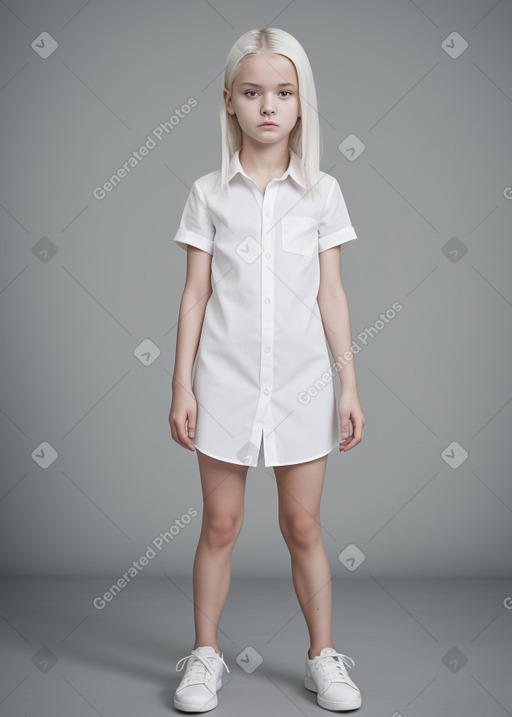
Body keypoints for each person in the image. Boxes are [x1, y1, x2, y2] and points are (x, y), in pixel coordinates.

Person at [168, 27, 365, 713]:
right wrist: (181, 384)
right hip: (223, 382)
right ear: (229, 101)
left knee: (303, 526)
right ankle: (204, 656)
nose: (268, 106)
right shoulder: (207, 193)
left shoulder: (323, 192)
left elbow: (331, 294)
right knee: (220, 524)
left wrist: (349, 385)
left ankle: (322, 657)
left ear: (302, 103)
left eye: (283, 92)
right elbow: (195, 295)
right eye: (252, 92)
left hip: (302, 383)